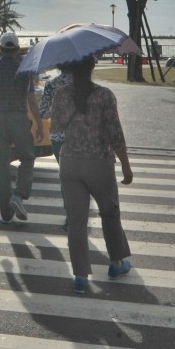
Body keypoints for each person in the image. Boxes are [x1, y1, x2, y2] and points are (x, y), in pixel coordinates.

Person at [50, 56, 133, 294]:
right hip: (98, 163)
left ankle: (80, 276)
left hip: (70, 162)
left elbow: (55, 129)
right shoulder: (104, 95)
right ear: (92, 66)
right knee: (109, 212)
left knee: (76, 221)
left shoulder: (61, 94)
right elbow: (115, 134)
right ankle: (116, 264)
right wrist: (126, 165)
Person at [0, 31, 44, 223]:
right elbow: (31, 100)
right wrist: (39, 123)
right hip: (18, 117)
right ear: (16, 49)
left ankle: (5, 211)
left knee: (2, 164)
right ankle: (19, 194)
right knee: (27, 157)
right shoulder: (23, 70)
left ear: (0, 49)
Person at [38, 65, 73, 229]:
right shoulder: (83, 84)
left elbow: (43, 112)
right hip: (80, 137)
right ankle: (79, 212)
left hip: (58, 137)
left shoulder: (52, 84)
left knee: (65, 177)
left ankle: (70, 214)